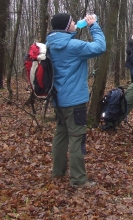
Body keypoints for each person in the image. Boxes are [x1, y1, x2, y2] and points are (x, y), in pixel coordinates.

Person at [46, 13, 106, 188]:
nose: (74, 23)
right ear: (66, 27)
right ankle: (78, 180)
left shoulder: (50, 43)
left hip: (58, 99)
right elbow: (100, 47)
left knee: (60, 135)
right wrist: (93, 25)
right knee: (77, 139)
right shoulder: (73, 46)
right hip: (75, 102)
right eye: (72, 21)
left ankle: (58, 172)